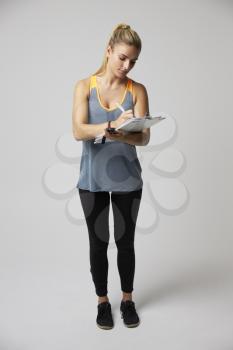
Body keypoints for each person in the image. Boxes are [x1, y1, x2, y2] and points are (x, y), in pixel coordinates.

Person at [72, 23, 150, 329]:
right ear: (108, 51)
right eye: (122, 57)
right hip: (90, 180)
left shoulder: (137, 90)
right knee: (97, 243)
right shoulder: (83, 86)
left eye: (132, 61)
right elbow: (78, 130)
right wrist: (109, 126)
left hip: (128, 180)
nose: (126, 65)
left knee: (125, 242)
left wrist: (120, 134)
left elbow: (143, 138)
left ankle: (127, 300)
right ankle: (103, 303)